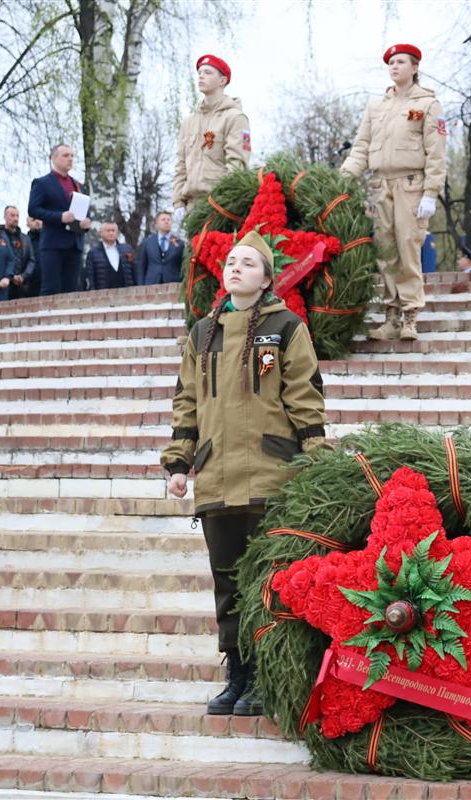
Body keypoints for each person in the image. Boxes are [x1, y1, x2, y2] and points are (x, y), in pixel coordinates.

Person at [161, 230, 327, 717]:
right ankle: (238, 674)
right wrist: (178, 461)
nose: (236, 268)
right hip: (216, 479)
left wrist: (316, 456)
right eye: (231, 261)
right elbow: (186, 401)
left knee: (268, 583)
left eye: (249, 263)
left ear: (268, 276)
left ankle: (267, 678)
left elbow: (304, 394)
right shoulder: (202, 333)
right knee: (228, 583)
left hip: (271, 475)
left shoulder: (285, 327)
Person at [340, 43, 447, 341]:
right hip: (381, 185)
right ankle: (391, 317)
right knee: (386, 253)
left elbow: (436, 153)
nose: (394, 67)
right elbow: (361, 146)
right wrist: (342, 179)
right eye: (391, 63)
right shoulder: (377, 106)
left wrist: (431, 193)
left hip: (411, 186)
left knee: (408, 249)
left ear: (414, 67)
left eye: (401, 62)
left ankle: (410, 315)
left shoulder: (428, 104)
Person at [172, 55, 251, 224]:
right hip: (192, 207)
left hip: (219, 205)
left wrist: (225, 200)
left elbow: (237, 164)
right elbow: (180, 165)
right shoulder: (189, 121)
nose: (201, 76)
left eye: (207, 72)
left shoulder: (235, 117)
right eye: (200, 72)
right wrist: (178, 202)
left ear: (222, 80)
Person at [28, 143, 92, 295]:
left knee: (71, 290)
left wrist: (86, 223)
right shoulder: (42, 183)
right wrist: (59, 217)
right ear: (53, 159)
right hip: (53, 244)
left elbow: (83, 210)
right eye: (65, 155)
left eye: (72, 156)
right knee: (51, 289)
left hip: (75, 244)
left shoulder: (78, 185)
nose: (70, 159)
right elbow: (33, 209)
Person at [135, 210, 184, 285]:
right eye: (163, 219)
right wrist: (141, 285)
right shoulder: (147, 243)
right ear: (157, 224)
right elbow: (141, 266)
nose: (166, 222)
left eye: (169, 220)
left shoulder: (180, 243)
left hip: (173, 284)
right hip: (151, 284)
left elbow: (183, 266)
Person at [0, 205, 37, 300]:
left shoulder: (25, 239)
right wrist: (10, 276)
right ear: (5, 217)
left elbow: (31, 260)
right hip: (3, 283)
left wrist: (23, 276)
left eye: (17, 216)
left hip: (21, 286)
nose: (15, 218)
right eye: (12, 215)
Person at [86, 221, 136, 291]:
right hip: (103, 295)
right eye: (108, 230)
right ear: (101, 233)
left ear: (117, 233)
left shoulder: (127, 249)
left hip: (127, 293)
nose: (111, 233)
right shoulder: (93, 253)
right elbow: (91, 277)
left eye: (113, 230)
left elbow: (135, 270)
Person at [23, 215, 43, 298]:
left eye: (39, 218)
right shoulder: (24, 242)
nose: (37, 221)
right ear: (28, 224)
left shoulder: (50, 240)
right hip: (30, 285)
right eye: (33, 220)